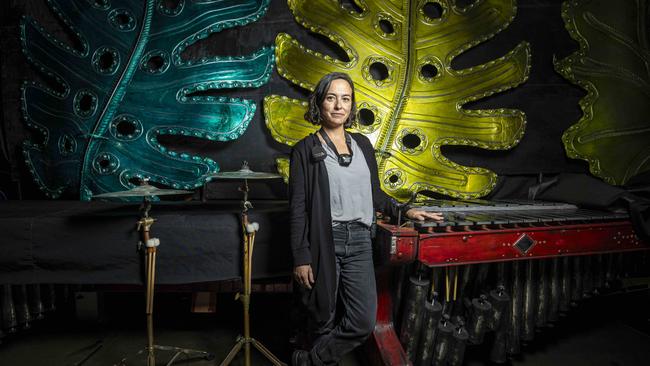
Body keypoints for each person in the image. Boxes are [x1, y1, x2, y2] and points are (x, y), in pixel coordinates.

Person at [289, 72, 443, 366]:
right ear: (319, 103)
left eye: (345, 99)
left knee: (362, 321)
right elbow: (297, 209)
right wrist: (301, 257)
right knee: (322, 317)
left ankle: (309, 361)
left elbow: (375, 194)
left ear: (351, 105)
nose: (338, 105)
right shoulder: (304, 150)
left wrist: (406, 210)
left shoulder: (362, 144)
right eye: (331, 98)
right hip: (326, 240)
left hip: (360, 241)